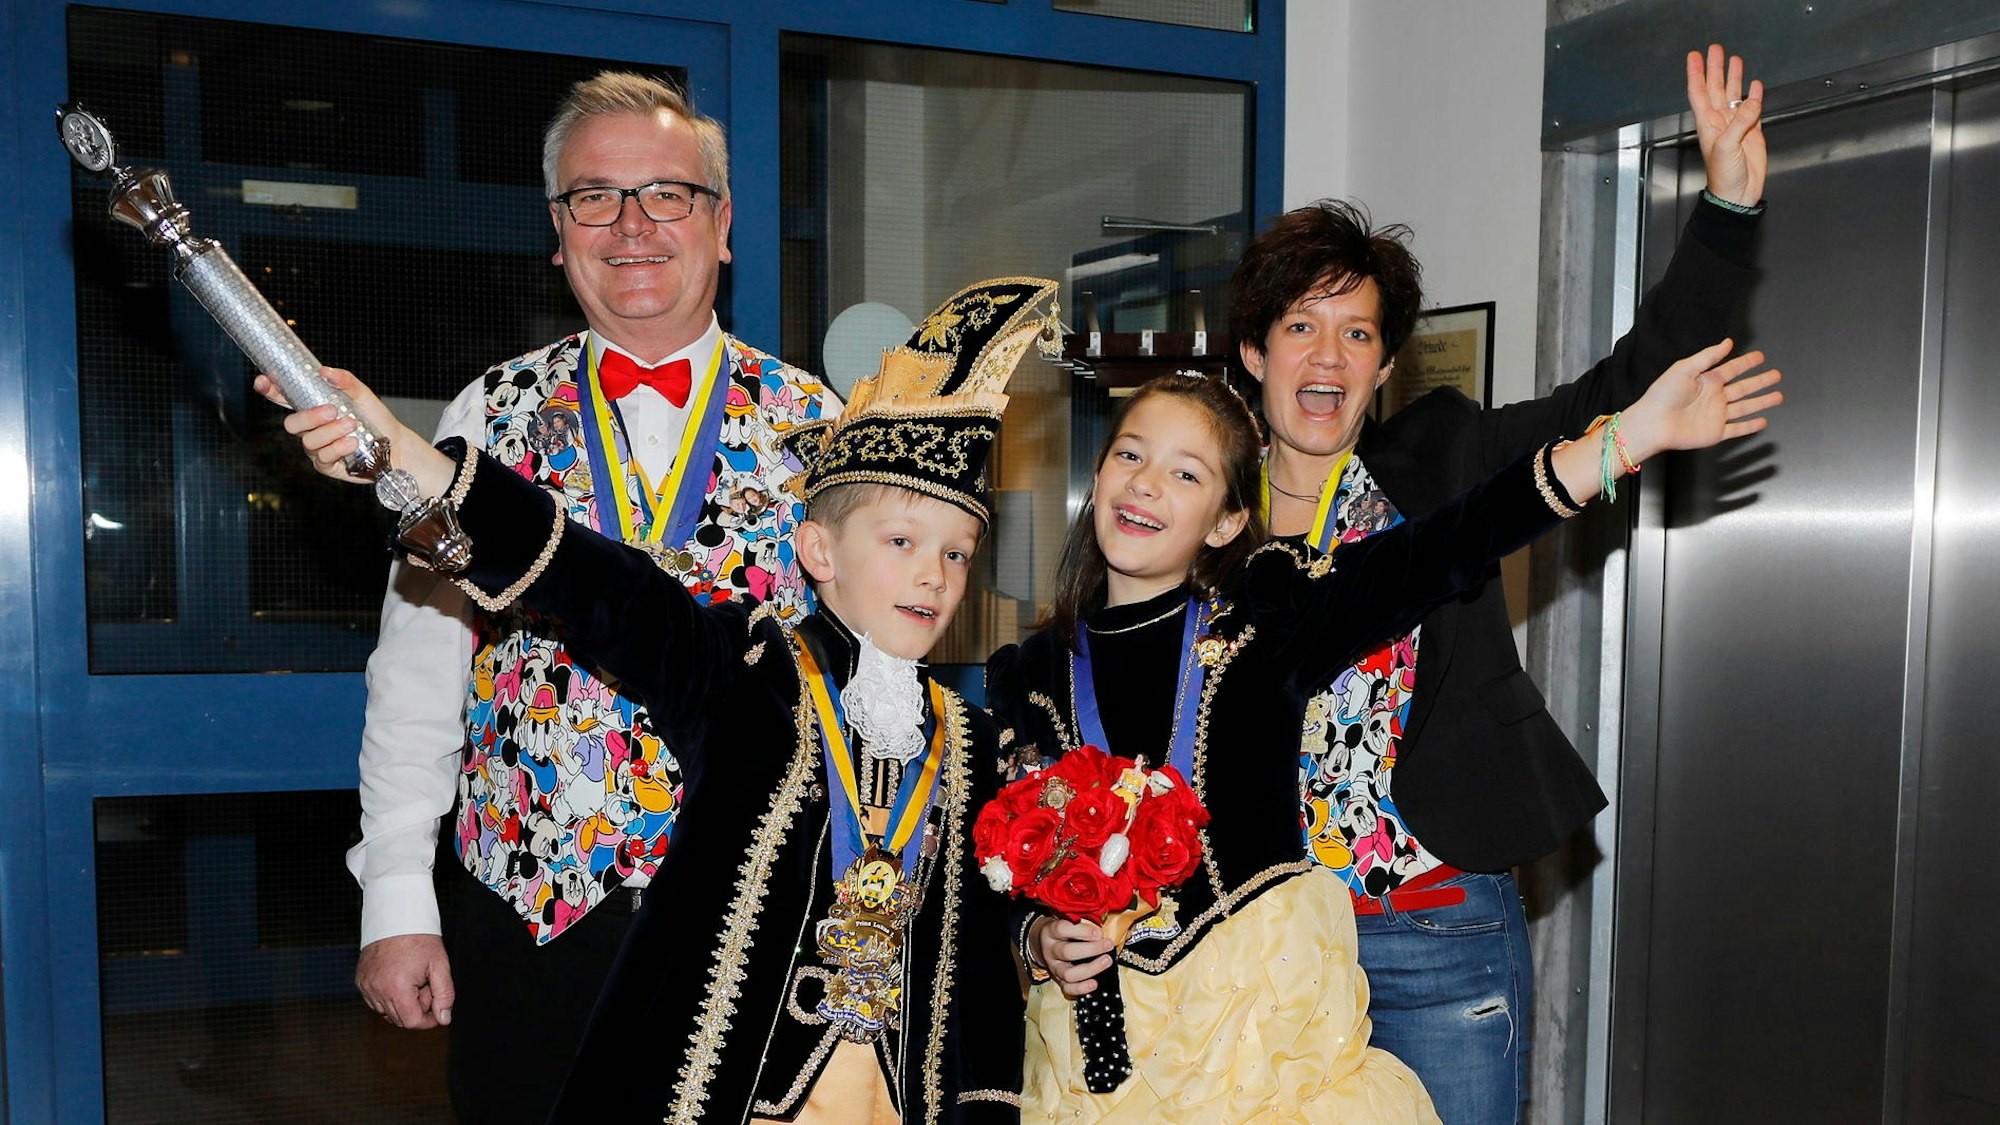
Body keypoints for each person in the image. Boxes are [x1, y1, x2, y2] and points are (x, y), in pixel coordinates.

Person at [265, 277, 1063, 1124]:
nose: (932, 575)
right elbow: (605, 589)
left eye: (957, 553)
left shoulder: (972, 740)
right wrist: (409, 457)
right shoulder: (747, 674)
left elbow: (977, 975)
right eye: (901, 542)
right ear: (818, 549)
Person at [998, 348, 1781, 1121]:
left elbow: (1441, 549)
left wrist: (1625, 438)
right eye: (1130, 454)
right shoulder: (1025, 674)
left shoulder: (1270, 618)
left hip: (1268, 1053)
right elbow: (989, 886)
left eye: (1187, 473)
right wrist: (1036, 940)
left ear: (1228, 518)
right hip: (1095, 1067)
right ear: (1097, 473)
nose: (1146, 484)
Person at [1220, 44, 1767, 1120]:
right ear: (1253, 352)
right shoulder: (1206, 517)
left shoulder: (1442, 458)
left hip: (1435, 929)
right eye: (1299, 327)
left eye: (1357, 333)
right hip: (1263, 943)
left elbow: (1623, 388)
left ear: (1384, 368)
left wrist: (1726, 211)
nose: (1326, 357)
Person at [347, 71, 834, 1121]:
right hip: (523, 914)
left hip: (745, 909)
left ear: (723, 224)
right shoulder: (485, 416)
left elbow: (848, 689)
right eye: (592, 198)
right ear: (557, 233)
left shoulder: (821, 425)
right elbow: (418, 672)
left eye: (667, 194)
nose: (630, 226)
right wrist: (395, 898)